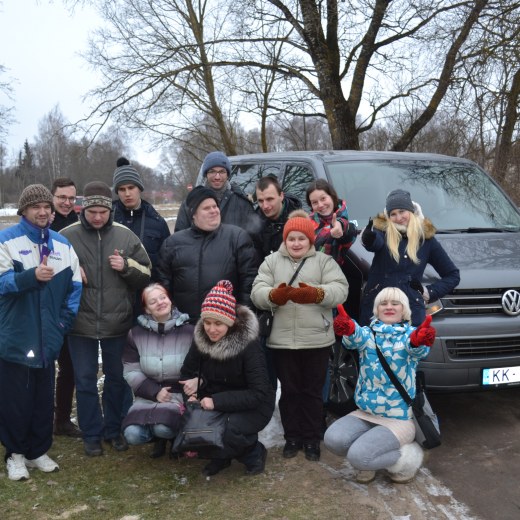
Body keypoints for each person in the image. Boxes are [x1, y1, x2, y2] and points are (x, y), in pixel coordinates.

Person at [61, 181, 152, 457]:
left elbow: (147, 272)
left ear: (109, 209)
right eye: (92, 212)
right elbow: (51, 273)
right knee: (86, 380)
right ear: (83, 210)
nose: (98, 217)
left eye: (102, 211)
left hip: (117, 323)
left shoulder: (125, 236)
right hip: (80, 324)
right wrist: (71, 272)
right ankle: (92, 434)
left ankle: (115, 429)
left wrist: (126, 267)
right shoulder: (67, 236)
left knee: (117, 379)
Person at [251, 210, 349, 462]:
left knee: (313, 392)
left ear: (310, 240)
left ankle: (312, 438)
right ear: (285, 240)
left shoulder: (324, 262)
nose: (296, 243)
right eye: (291, 238)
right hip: (282, 341)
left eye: (301, 239)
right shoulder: (271, 262)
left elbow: (340, 289)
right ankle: (292, 437)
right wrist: (273, 296)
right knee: (291, 392)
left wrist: (317, 294)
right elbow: (257, 291)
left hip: (316, 340)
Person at [0, 184, 82, 481]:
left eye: (47, 206)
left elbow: (74, 291)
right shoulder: (6, 241)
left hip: (49, 337)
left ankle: (37, 450)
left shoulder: (62, 245)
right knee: (15, 400)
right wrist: (30, 277)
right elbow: (2, 283)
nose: (43, 211)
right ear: (23, 210)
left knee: (42, 397)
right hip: (16, 335)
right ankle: (15, 454)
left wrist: (62, 326)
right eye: (36, 207)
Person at [324, 287, 436, 484]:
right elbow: (355, 337)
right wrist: (349, 328)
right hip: (366, 412)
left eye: (395, 303)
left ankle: (408, 457)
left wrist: (419, 343)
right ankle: (369, 459)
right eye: (383, 303)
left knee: (358, 456)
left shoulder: (410, 335)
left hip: (399, 418)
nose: (389, 307)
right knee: (333, 440)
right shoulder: (368, 334)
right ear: (376, 309)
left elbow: (416, 349)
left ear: (404, 309)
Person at [179, 280, 275, 476]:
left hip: (254, 406)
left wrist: (215, 401)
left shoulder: (249, 346)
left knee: (228, 427)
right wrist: (192, 392)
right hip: (212, 400)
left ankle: (253, 453)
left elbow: (258, 392)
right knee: (198, 424)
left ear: (230, 323)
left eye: (218, 324)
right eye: (207, 322)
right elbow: (187, 374)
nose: (211, 329)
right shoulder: (201, 340)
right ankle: (220, 457)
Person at [360, 189, 460, 327]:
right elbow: (373, 243)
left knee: (411, 348)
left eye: (402, 211)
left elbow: (453, 275)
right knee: (374, 349)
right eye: (393, 214)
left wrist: (428, 292)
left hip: (411, 313)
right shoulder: (382, 232)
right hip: (378, 310)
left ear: (411, 211)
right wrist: (368, 238)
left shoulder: (426, 240)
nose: (398, 217)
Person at [158, 186, 257, 321]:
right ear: (193, 214)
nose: (214, 211)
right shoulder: (172, 244)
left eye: (215, 206)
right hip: (185, 325)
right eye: (206, 208)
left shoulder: (237, 238)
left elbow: (249, 282)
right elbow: (163, 285)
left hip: (224, 323)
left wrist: (242, 318)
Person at [122, 283, 194, 458]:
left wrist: (194, 383)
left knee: (163, 427)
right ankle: (156, 438)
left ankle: (171, 437)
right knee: (132, 434)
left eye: (163, 297)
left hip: (177, 395)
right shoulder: (135, 334)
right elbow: (131, 370)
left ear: (170, 300)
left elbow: (201, 366)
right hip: (147, 395)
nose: (160, 303)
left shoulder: (190, 332)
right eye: (153, 302)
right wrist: (154, 392)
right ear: (146, 309)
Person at [50, 177, 82, 438]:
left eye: (72, 198)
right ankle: (39, 415)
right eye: (62, 197)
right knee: (44, 366)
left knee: (69, 366)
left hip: (72, 306)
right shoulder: (43, 223)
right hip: (47, 306)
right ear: (52, 197)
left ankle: (61, 419)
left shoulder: (78, 224)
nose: (67, 202)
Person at [174, 151, 261, 243]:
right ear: (206, 174)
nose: (217, 177)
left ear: (227, 174)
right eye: (212, 171)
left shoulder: (242, 203)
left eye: (222, 172)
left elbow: (252, 240)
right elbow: (180, 240)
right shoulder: (190, 203)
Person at [112, 157, 170, 283]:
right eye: (122, 189)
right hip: (115, 296)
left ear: (139, 188)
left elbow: (166, 265)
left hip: (147, 295)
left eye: (131, 187)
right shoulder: (108, 217)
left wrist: (162, 291)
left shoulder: (157, 222)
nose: (127, 193)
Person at [306, 179, 357, 266]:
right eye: (314, 202)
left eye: (323, 198)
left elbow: (349, 231)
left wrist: (340, 226)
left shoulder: (346, 218)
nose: (320, 205)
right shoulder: (306, 223)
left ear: (332, 197)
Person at [255, 176, 302, 262]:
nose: (265, 206)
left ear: (281, 196)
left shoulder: (299, 221)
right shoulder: (256, 223)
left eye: (269, 199)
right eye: (260, 201)